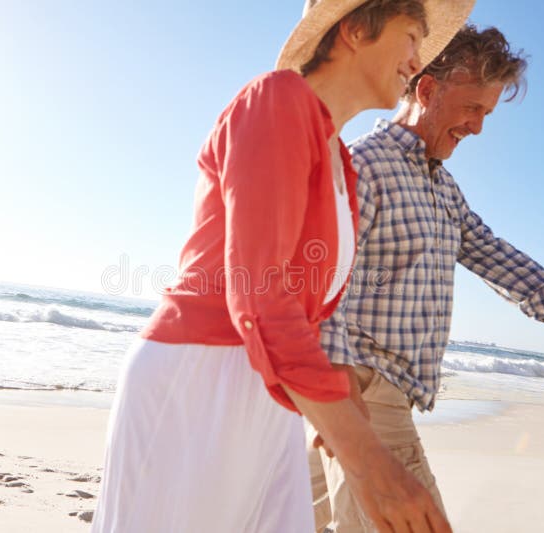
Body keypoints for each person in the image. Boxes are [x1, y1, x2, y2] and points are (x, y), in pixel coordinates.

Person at [90, 1, 475, 532]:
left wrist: (337, 385)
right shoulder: (275, 99)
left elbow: (304, 311)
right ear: (356, 29)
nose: (417, 61)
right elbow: (261, 294)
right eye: (412, 37)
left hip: (273, 389)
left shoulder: (340, 160)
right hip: (199, 378)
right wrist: (366, 460)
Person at [309, 23, 544, 532]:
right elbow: (317, 287)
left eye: (486, 114)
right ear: (427, 90)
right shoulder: (364, 166)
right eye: (473, 109)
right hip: (364, 395)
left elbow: (503, 262)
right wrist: (341, 404)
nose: (477, 128)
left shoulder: (442, 188)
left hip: (364, 400)